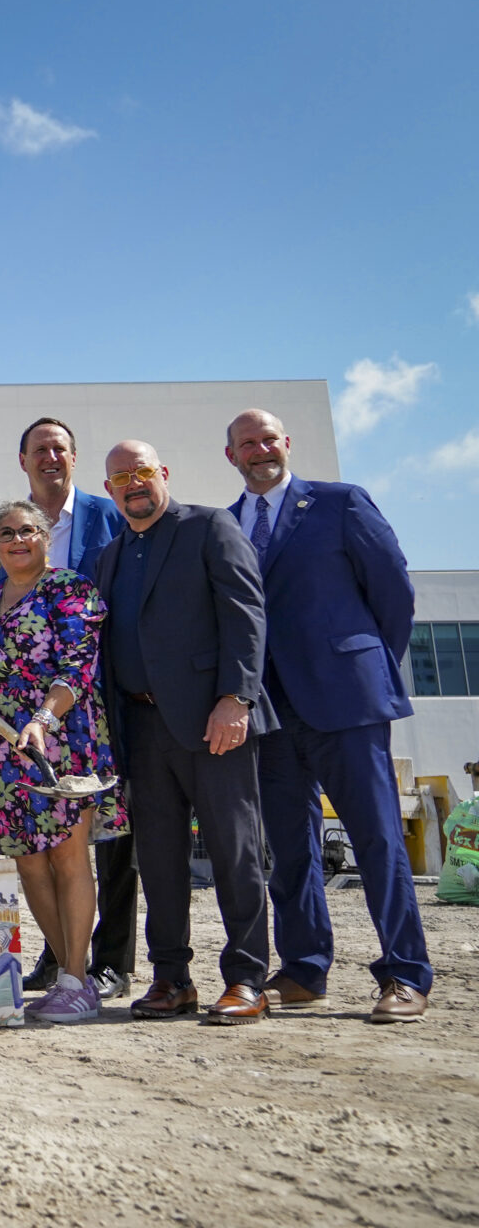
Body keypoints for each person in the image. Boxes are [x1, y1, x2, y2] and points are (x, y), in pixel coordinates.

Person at [224, 408, 432, 1023]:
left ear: (286, 443)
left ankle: (405, 972)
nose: (260, 449)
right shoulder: (226, 526)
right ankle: (306, 969)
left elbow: (393, 592)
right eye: (246, 443)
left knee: (376, 839)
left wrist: (364, 665)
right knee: (290, 847)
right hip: (271, 711)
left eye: (268, 439)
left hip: (346, 702)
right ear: (230, 455)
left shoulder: (341, 503)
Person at [96, 441, 274, 1026]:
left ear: (163, 474)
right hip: (140, 728)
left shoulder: (210, 526)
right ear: (110, 489)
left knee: (234, 851)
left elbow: (245, 614)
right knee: (161, 862)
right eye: (121, 476)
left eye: (143, 471)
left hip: (211, 721)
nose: (133, 483)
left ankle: (247, 979)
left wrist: (236, 697)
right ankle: (171, 978)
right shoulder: (111, 555)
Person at [0, 417, 135, 998]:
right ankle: (67, 973)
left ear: (45, 538)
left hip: (61, 737)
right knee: (27, 862)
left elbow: (78, 668)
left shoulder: (72, 591)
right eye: (6, 533)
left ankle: (80, 975)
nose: (18, 540)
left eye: (29, 532)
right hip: (2, 744)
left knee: (68, 861)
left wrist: (43, 718)